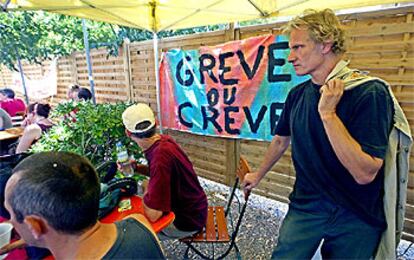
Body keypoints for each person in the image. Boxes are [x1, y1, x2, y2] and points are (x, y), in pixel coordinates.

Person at [242, 9, 395, 259]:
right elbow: (281, 139)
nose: (290, 57)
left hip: (355, 214)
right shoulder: (298, 95)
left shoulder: (370, 93)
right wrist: (258, 174)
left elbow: (365, 173)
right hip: (306, 206)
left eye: (298, 47)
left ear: (326, 45)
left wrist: (328, 115)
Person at [2, 151, 165, 259]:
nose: (11, 223)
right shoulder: (138, 223)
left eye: (10, 215)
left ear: (34, 225)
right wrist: (36, 236)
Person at [122, 103, 208, 240]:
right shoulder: (163, 141)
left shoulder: (159, 158)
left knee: (131, 233)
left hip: (188, 221)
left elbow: (153, 215)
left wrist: (146, 188)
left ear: (128, 132)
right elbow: (160, 174)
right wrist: (136, 168)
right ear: (155, 123)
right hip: (197, 208)